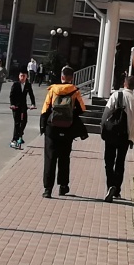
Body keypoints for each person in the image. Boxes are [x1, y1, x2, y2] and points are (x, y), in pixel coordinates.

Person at [39, 67, 87, 198]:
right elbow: (82, 109)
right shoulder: (75, 91)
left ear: (62, 77)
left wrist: (43, 127)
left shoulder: (53, 90)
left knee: (50, 158)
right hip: (67, 129)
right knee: (64, 158)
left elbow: (45, 109)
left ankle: (48, 189)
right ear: (72, 78)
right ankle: (63, 186)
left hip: (52, 129)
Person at [99, 74, 134, 201]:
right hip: (126, 136)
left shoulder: (116, 95)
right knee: (120, 162)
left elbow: (106, 112)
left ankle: (111, 185)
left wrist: (103, 127)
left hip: (112, 133)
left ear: (125, 84)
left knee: (109, 161)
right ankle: (117, 190)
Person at [7, 68, 36, 149]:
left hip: (23, 106)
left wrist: (33, 104)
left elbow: (31, 95)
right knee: (17, 123)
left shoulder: (28, 85)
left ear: (26, 77)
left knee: (24, 121)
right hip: (16, 106)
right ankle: (14, 140)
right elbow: (11, 95)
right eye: (21, 76)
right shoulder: (15, 84)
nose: (22, 77)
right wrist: (12, 104)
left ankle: (20, 134)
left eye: (24, 76)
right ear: (19, 76)